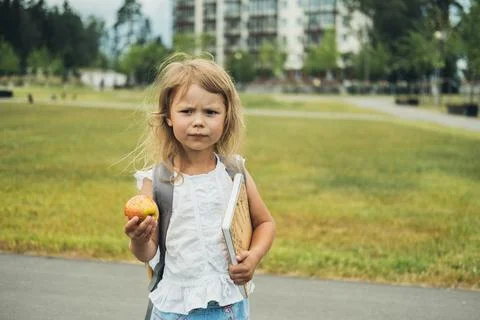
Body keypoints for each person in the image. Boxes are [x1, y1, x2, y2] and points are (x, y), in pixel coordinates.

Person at [124, 53, 276, 320]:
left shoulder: (234, 173)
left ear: (226, 117)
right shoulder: (156, 181)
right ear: (168, 116)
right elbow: (148, 252)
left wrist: (253, 257)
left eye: (211, 112)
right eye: (186, 111)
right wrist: (139, 239)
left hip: (229, 304)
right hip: (175, 308)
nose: (198, 121)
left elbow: (265, 223)